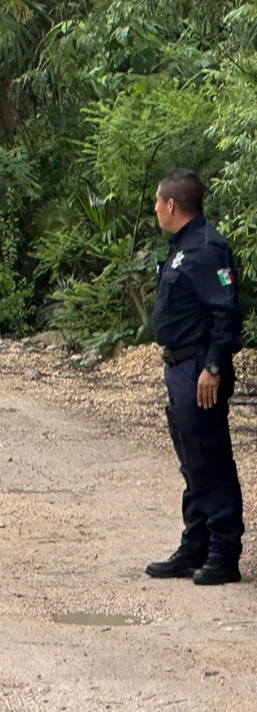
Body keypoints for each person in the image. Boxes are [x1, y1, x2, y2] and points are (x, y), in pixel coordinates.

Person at [146, 169, 245, 585]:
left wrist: (214, 366)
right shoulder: (182, 247)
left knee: (209, 458)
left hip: (199, 370)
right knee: (192, 461)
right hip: (180, 368)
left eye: (156, 201)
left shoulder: (206, 249)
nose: (154, 208)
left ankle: (224, 550)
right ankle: (196, 544)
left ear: (171, 205)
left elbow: (227, 314)